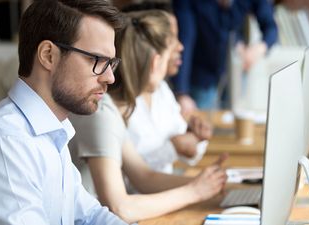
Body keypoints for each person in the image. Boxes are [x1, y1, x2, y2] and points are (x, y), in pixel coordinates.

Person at [0, 1, 127, 224]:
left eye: (110, 63)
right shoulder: (6, 146)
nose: (110, 77)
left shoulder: (52, 132)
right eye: (97, 60)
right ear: (48, 55)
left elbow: (90, 216)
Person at [69, 10, 227, 223]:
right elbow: (119, 207)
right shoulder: (101, 111)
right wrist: (194, 191)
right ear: (155, 62)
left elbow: (143, 177)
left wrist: (205, 184)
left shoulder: (113, 110)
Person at [121, 2, 213, 174]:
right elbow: (128, 177)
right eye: (170, 38)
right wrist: (174, 148)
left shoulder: (162, 90)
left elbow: (188, 153)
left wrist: (194, 136)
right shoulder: (115, 102)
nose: (180, 46)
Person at [171, 0, 278, 113]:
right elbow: (185, 40)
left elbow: (271, 28)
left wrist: (258, 49)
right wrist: (181, 92)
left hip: (235, 71)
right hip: (201, 75)